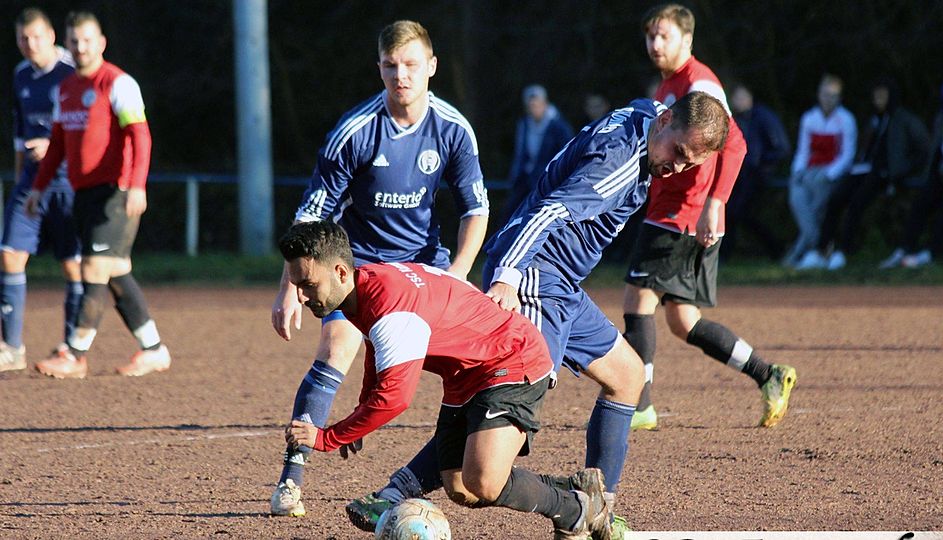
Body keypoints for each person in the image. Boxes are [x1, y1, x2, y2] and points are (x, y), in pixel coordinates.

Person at [349, 91, 732, 539]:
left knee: (628, 377)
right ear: (665, 121)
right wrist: (508, 275)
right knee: (503, 418)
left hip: (561, 284)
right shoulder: (619, 164)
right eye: (679, 153)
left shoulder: (647, 117)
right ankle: (396, 493)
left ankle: (598, 509)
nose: (678, 168)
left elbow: (656, 106)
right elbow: (549, 211)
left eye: (691, 164)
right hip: (533, 277)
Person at [267, 21, 489, 517]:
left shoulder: (452, 128)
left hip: (424, 269)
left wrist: (458, 272)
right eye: (391, 66)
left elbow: (475, 209)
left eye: (411, 65)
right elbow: (311, 218)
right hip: (359, 265)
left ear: (431, 67)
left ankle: (462, 461)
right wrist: (288, 290)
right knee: (337, 346)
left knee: (474, 353)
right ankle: (291, 476)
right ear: (380, 69)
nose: (401, 76)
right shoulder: (355, 132)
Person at [278, 221, 612, 539]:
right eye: (298, 287)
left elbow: (396, 399)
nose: (303, 296)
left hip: (510, 358)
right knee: (460, 488)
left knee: (484, 481)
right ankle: (573, 489)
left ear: (340, 271)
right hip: (466, 372)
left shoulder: (391, 306)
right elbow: (375, 349)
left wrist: (328, 437)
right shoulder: (364, 284)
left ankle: (576, 510)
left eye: (308, 285)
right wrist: (360, 413)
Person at [622, 4, 796, 434]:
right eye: (650, 36)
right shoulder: (671, 83)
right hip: (674, 208)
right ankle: (768, 373)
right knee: (684, 322)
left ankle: (639, 405)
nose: (654, 44)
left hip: (682, 211)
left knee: (637, 301)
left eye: (664, 36)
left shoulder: (698, 83)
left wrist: (714, 203)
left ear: (688, 40)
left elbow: (734, 145)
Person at [26, 11, 169, 379]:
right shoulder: (66, 89)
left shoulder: (118, 83)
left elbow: (141, 136)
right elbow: (57, 145)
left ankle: (74, 354)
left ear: (101, 42)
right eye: (74, 41)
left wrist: (137, 184)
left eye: (87, 40)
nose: (81, 47)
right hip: (84, 192)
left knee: (93, 267)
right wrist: (38, 188)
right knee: (117, 272)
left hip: (115, 191)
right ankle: (153, 349)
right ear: (67, 44)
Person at [0, 8, 83, 373]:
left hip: (69, 180)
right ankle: (11, 348)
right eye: (22, 38)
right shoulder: (20, 75)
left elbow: (88, 131)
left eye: (35, 36)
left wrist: (55, 146)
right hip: (31, 182)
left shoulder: (74, 71)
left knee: (73, 265)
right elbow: (20, 136)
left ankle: (71, 348)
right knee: (10, 255)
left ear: (51, 35)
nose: (29, 44)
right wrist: (21, 181)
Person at [807, 78, 930, 270]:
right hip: (862, 169)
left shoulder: (904, 119)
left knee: (856, 204)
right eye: (876, 95)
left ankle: (842, 251)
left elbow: (923, 149)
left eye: (883, 95)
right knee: (835, 199)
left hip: (883, 173)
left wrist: (900, 170)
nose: (879, 99)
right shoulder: (873, 119)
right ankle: (821, 250)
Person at [879, 74, 943, 269]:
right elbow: (937, 150)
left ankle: (932, 252)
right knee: (921, 204)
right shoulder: (942, 119)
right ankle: (905, 248)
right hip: (942, 174)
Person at [784, 74, 857, 269]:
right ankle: (820, 246)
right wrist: (797, 172)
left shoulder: (846, 119)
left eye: (833, 95)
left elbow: (847, 154)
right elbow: (803, 150)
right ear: (818, 95)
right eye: (825, 94)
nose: (828, 99)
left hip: (830, 174)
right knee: (797, 198)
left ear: (839, 97)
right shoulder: (809, 118)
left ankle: (801, 253)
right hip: (809, 171)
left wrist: (829, 174)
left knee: (816, 209)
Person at [722, 81, 791, 260]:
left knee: (741, 213)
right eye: (736, 98)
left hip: (759, 175)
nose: (739, 101)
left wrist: (762, 164)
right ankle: (725, 255)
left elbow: (781, 148)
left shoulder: (763, 117)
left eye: (742, 96)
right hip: (741, 175)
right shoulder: (736, 120)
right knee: (730, 211)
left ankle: (776, 249)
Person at [501, 84, 573, 225]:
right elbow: (520, 153)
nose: (533, 108)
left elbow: (567, 153)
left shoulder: (558, 126)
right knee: (510, 214)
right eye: (530, 105)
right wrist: (515, 175)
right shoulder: (524, 124)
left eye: (536, 104)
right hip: (525, 178)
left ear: (544, 103)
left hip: (547, 180)